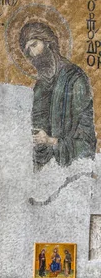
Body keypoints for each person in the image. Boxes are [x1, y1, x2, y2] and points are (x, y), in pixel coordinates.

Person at [19, 21, 96, 170]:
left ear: (48, 42)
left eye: (34, 45)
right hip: (46, 172)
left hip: (73, 171)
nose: (33, 54)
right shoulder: (40, 87)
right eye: (28, 51)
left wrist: (51, 141)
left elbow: (87, 144)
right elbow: (37, 129)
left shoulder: (75, 79)